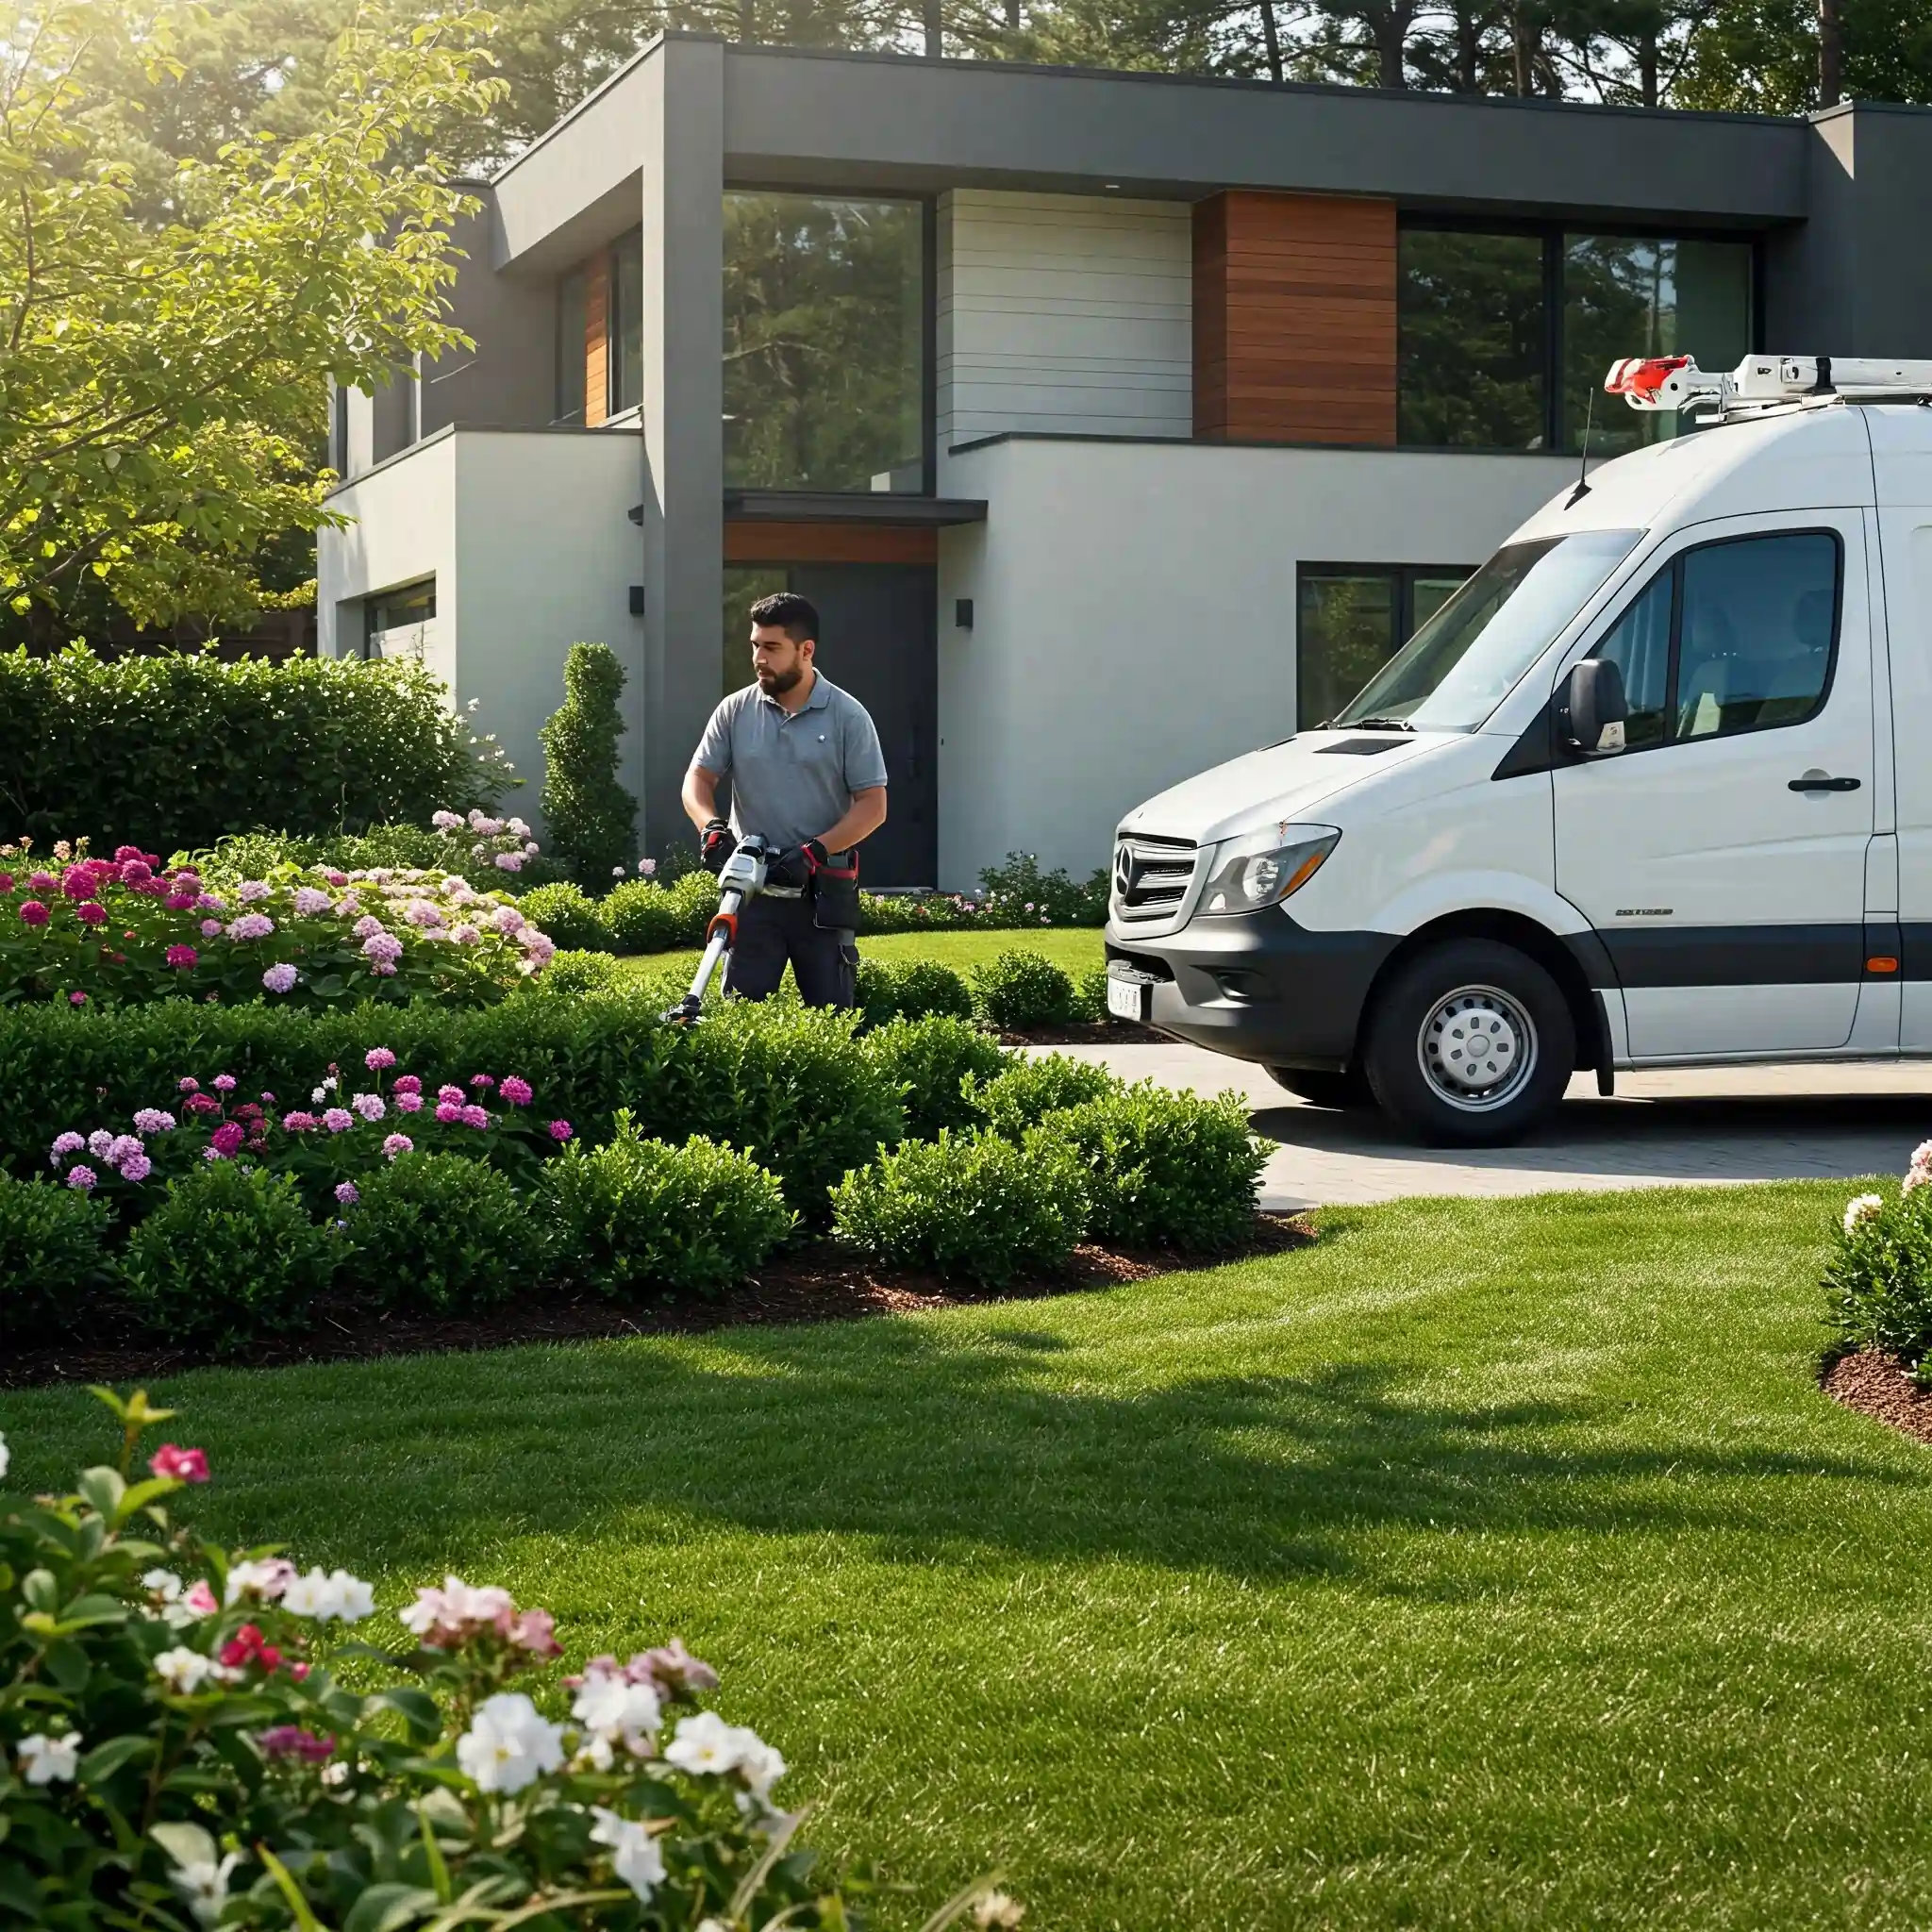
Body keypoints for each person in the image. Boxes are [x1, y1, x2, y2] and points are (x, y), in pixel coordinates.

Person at [682, 591, 888, 1008]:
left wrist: (813, 852)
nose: (759, 658)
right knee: (741, 1019)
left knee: (832, 1019)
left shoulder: (848, 716)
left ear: (806, 649)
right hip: (751, 893)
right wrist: (711, 828)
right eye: (755, 646)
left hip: (823, 894)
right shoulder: (735, 710)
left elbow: (873, 805)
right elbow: (697, 779)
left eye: (772, 648)